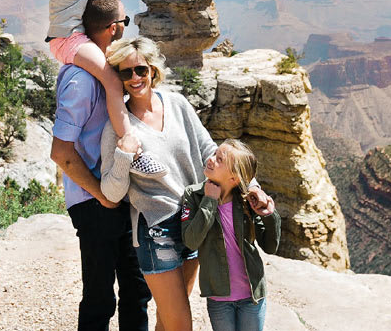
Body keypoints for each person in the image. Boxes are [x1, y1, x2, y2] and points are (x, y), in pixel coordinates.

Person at [99, 37, 271, 331]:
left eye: (140, 69)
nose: (135, 78)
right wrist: (124, 154)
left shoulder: (177, 104)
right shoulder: (116, 127)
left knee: (167, 321)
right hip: (157, 231)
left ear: (152, 69)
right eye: (125, 73)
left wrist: (252, 186)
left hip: (195, 220)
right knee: (181, 325)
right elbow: (111, 192)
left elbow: (209, 150)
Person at [50, 0, 151, 331]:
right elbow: (61, 153)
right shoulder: (80, 81)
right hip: (94, 201)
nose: (126, 27)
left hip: (120, 194)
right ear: (112, 28)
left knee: (137, 290)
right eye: (125, 21)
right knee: (99, 298)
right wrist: (101, 195)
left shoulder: (109, 72)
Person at [48, 0, 163, 177]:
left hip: (62, 36)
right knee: (112, 81)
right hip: (69, 38)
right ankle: (133, 151)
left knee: (112, 69)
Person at [181, 139, 281, 331]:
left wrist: (268, 213)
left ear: (234, 178)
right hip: (219, 299)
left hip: (252, 296)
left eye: (219, 159)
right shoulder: (193, 196)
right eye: (214, 155)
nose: (210, 160)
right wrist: (209, 201)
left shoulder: (246, 200)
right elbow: (191, 242)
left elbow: (270, 246)